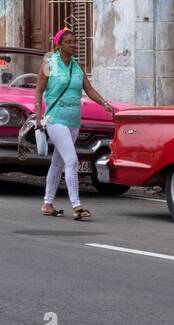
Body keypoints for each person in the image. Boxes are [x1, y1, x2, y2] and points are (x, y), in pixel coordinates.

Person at [33, 28, 115, 221]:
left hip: (73, 121)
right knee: (72, 161)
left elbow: (89, 89)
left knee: (57, 163)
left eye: (75, 42)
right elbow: (38, 91)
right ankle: (77, 206)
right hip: (55, 120)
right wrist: (38, 117)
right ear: (59, 45)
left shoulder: (76, 67)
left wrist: (104, 103)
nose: (73, 45)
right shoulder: (49, 65)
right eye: (69, 42)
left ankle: (47, 203)